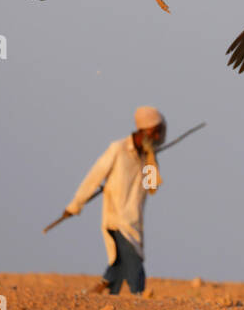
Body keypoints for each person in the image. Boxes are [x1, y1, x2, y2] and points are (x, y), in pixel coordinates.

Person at [62, 106, 167, 295]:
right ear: (144, 130)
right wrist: (75, 205)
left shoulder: (146, 157)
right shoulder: (117, 150)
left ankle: (103, 292)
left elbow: (152, 188)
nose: (158, 137)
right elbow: (93, 178)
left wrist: (151, 159)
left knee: (120, 261)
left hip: (134, 221)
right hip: (116, 219)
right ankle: (138, 298)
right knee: (134, 261)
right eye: (155, 132)